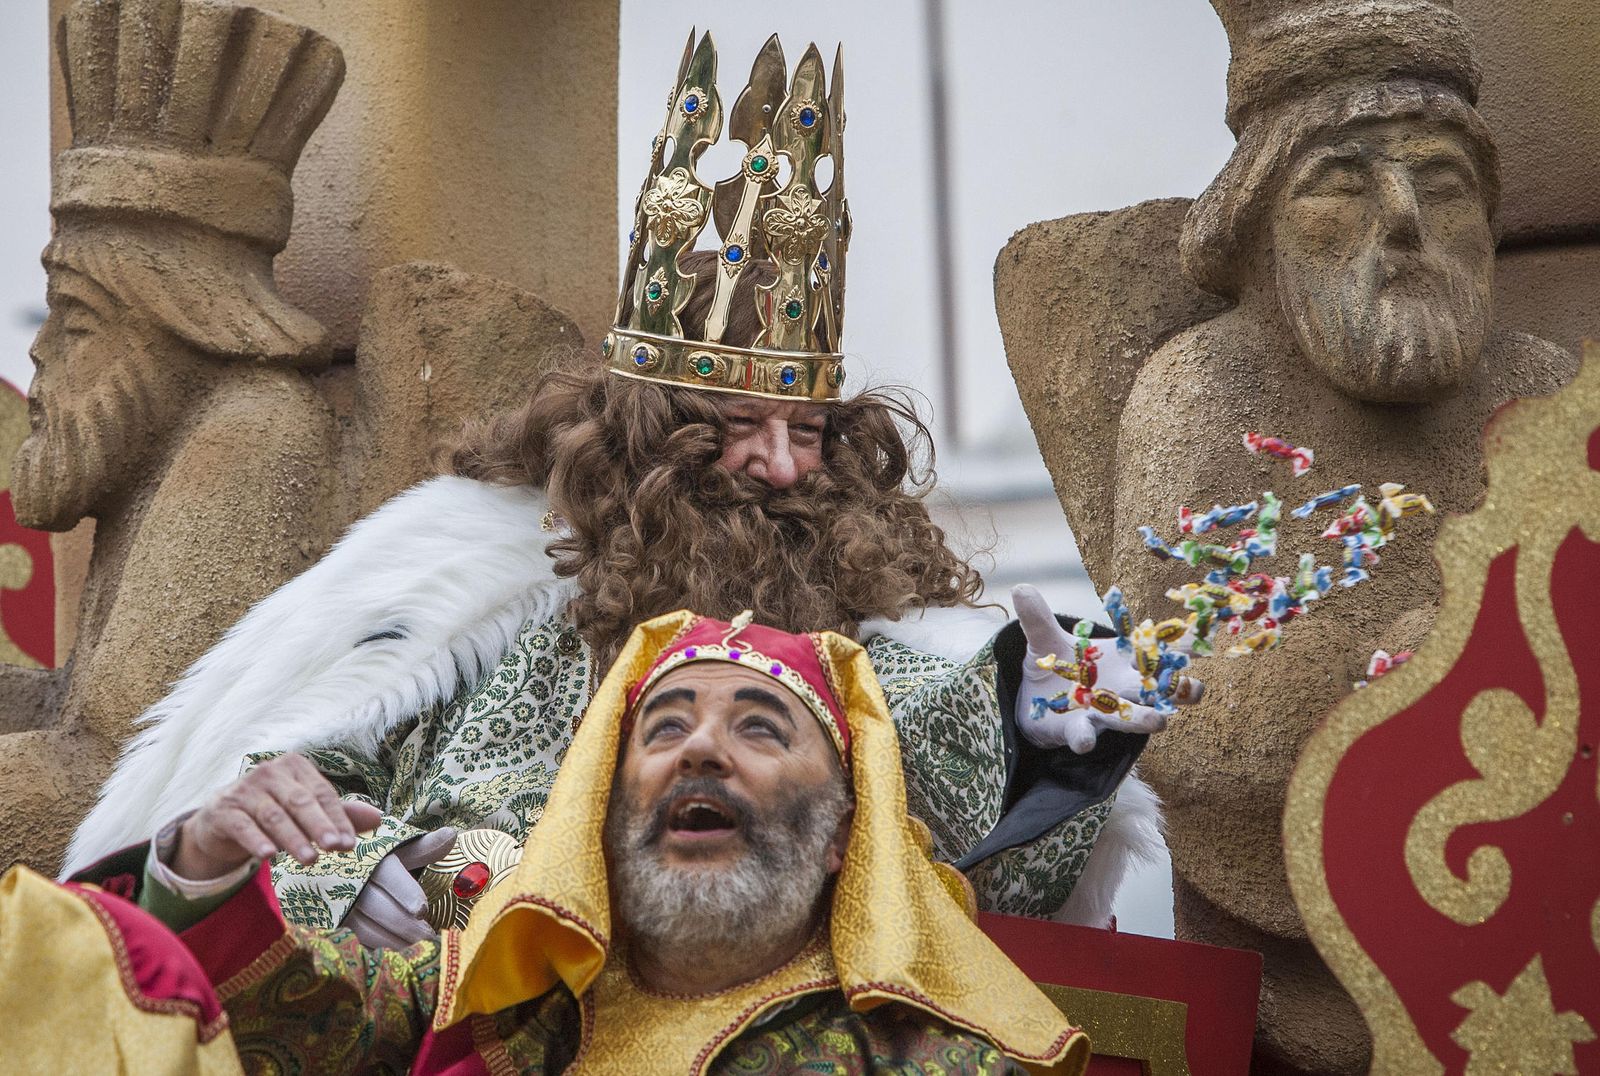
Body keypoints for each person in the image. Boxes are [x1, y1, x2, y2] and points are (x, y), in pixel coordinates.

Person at [67, 32, 1194, 944]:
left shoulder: (894, 664)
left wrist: (1061, 759)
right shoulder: (476, 605)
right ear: (642, 435)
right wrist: (337, 874)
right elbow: (275, 804)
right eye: (739, 428)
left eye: (810, 431)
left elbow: (982, 898)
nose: (786, 469)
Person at [76, 611, 1092, 1074]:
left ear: (844, 838)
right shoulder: (488, 1000)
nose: (700, 746)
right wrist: (200, 862)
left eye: (757, 725)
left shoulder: (935, 1063)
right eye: (665, 725)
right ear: (597, 819)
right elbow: (264, 1023)